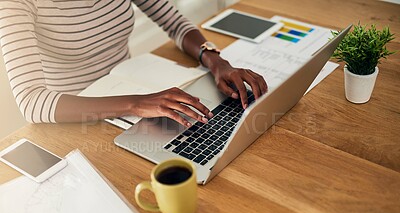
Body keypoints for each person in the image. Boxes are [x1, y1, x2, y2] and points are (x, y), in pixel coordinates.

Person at [0, 0, 268, 127]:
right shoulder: (15, 4)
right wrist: (136, 103)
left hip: (133, 96)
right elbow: (31, 102)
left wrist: (216, 61)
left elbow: (174, 22)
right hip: (75, 117)